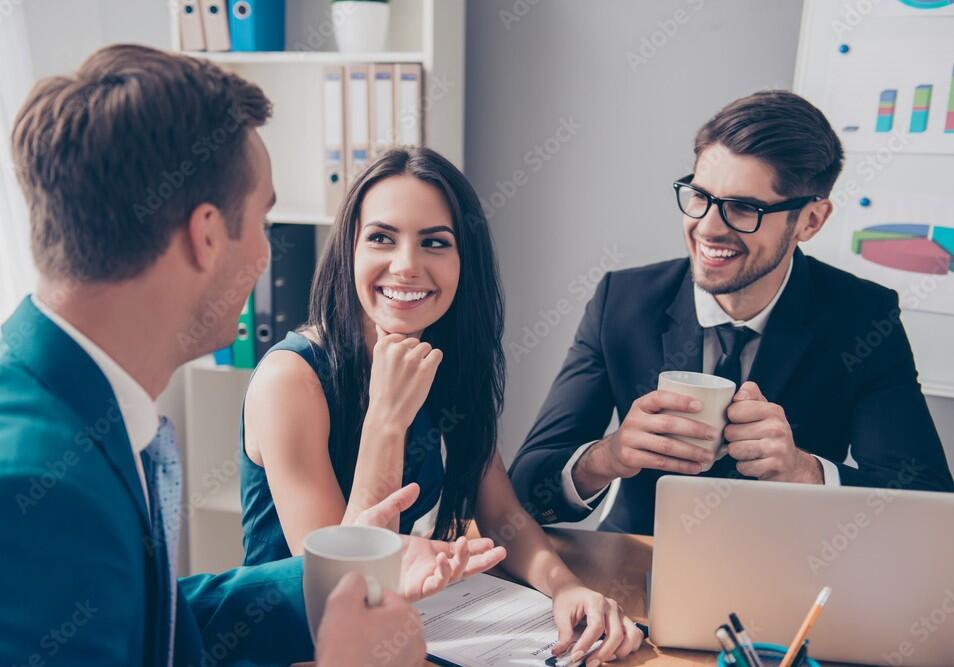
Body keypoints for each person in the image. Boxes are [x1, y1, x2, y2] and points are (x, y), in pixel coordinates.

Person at [0, 44, 503, 666]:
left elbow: (152, 619)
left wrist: (335, 573)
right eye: (263, 222)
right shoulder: (34, 484)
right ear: (207, 236)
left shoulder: (76, 405)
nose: (268, 257)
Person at [241, 146, 644, 665]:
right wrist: (385, 418)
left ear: (462, 261)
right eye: (381, 238)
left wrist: (565, 588)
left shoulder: (443, 361)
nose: (406, 266)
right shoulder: (291, 378)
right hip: (294, 645)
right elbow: (336, 589)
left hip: (395, 632)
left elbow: (501, 514)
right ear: (349, 251)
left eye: (435, 242)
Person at [508, 90, 954, 536]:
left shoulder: (862, 317)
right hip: (635, 567)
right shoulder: (622, 302)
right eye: (700, 196)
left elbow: (928, 508)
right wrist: (609, 457)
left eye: (745, 208)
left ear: (810, 221)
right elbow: (524, 493)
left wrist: (805, 473)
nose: (708, 227)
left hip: (787, 578)